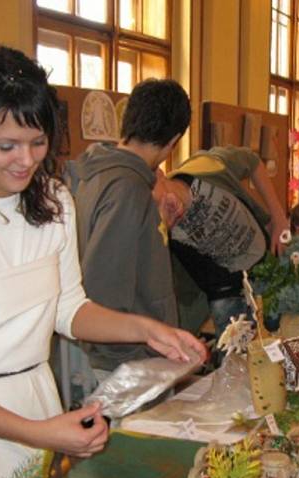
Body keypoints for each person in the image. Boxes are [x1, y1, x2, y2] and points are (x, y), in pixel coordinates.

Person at [0, 46, 206, 478]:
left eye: (38, 143)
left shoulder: (53, 203)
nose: (26, 160)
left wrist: (146, 330)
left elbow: (69, 308)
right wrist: (38, 432)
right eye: (6, 146)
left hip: (35, 401)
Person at [65, 78, 191, 375]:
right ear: (173, 142)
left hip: (128, 349)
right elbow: (103, 285)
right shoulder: (128, 188)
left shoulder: (101, 173)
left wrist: (160, 224)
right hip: (128, 357)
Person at [157, 145, 291, 337]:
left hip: (267, 269)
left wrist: (278, 217)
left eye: (158, 196)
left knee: (286, 341)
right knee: (237, 359)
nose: (164, 208)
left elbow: (251, 162)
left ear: (160, 174)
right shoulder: (157, 227)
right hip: (225, 298)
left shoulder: (205, 168)